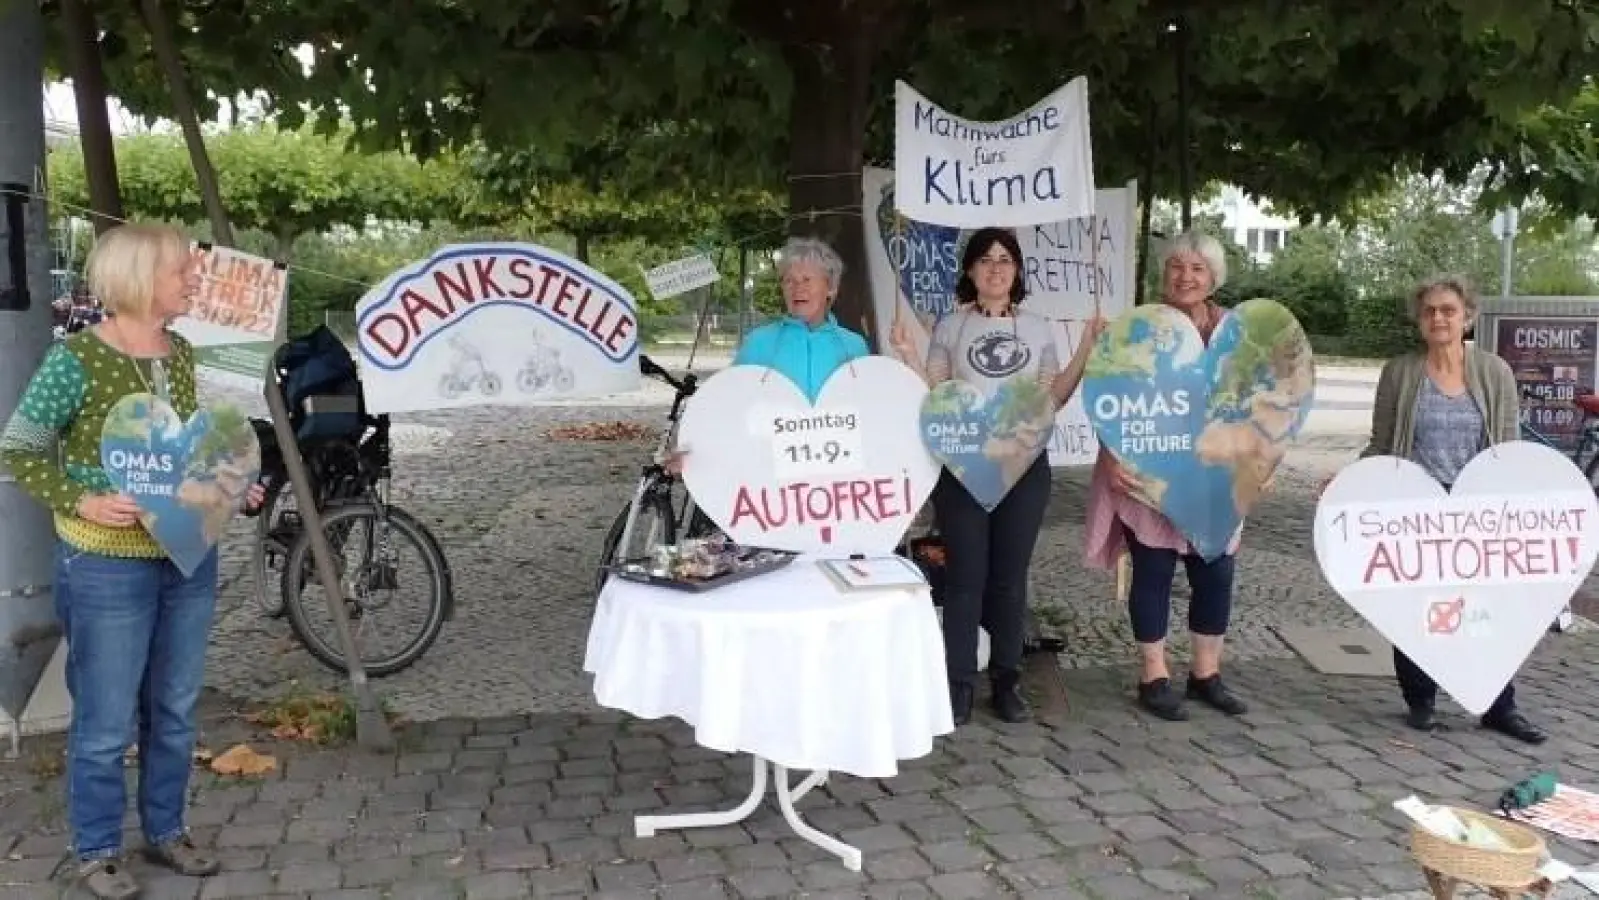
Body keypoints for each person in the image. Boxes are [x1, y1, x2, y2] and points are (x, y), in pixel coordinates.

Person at [0, 224, 264, 900]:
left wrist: (228, 483)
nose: (194, 281)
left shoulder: (176, 353)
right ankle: (96, 849)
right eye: (184, 271)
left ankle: (166, 830)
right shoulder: (76, 362)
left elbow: (171, 453)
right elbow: (18, 450)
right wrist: (82, 500)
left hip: (184, 556)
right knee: (107, 718)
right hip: (106, 567)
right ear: (143, 279)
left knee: (174, 708)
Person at [890, 226, 1103, 726]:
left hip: (1025, 468)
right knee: (965, 578)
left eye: (1005, 259)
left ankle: (1007, 682)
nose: (995, 267)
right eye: (985, 259)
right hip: (964, 466)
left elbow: (1054, 398)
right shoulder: (950, 326)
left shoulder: (1036, 327)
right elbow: (938, 395)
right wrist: (909, 356)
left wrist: (1087, 348)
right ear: (969, 270)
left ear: (1017, 270)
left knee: (1009, 580)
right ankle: (958, 685)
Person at [1334, 275, 1544, 744]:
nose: (1438, 319)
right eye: (1429, 311)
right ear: (1419, 319)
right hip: (1417, 508)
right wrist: (1349, 481)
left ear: (1467, 316)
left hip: (1476, 510)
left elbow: (1508, 446)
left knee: (1488, 611)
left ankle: (1497, 703)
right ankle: (1421, 700)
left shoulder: (1494, 372)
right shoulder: (1401, 372)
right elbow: (1383, 444)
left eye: (1448, 310)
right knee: (1417, 608)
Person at [1082, 232, 1251, 722]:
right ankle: (1153, 675)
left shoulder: (1235, 332)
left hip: (1216, 474)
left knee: (1215, 573)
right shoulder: (1137, 327)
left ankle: (1206, 674)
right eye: (1177, 266)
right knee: (1153, 570)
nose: (1186, 276)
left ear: (1213, 277)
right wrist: (1112, 454)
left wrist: (1259, 463)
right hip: (1150, 468)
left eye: (1197, 268)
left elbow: (1260, 398)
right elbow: (1108, 394)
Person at [667, 236, 868, 472]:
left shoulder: (853, 346)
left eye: (806, 279)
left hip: (839, 473)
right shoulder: (759, 343)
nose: (797, 288)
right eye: (788, 281)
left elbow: (869, 411)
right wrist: (697, 450)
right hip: (769, 473)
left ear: (830, 288)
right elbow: (728, 402)